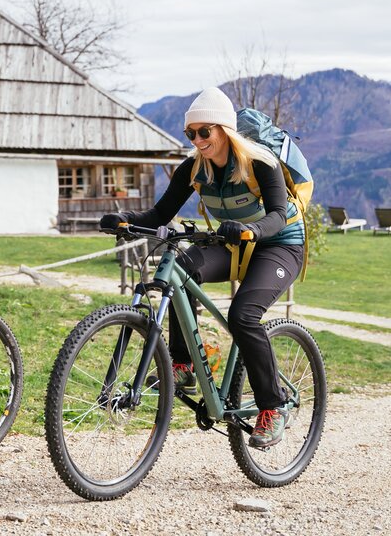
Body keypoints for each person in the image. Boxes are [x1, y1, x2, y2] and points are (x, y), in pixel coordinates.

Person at [100, 87, 304, 449]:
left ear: (224, 129)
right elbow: (160, 214)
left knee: (243, 315)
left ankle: (273, 406)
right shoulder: (194, 168)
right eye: (190, 134)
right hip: (234, 241)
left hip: (279, 244)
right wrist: (125, 219)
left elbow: (276, 215)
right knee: (180, 270)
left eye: (204, 132)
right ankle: (183, 367)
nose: (197, 140)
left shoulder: (262, 162)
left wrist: (253, 230)